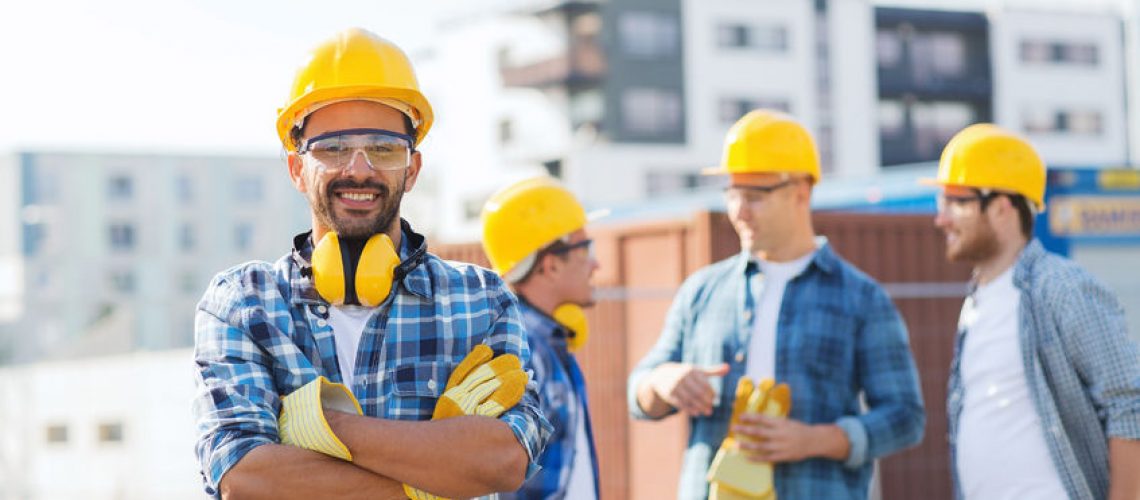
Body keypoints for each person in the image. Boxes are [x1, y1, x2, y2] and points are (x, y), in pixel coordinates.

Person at [191, 28, 551, 499]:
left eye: (383, 149)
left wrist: (317, 425)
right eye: (333, 148)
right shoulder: (242, 303)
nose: (358, 169)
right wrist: (434, 476)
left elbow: (504, 461)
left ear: (413, 168)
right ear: (297, 168)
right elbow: (246, 478)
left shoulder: (480, 299)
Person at [627, 109, 925, 499]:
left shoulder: (861, 298)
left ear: (801, 192)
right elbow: (640, 391)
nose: (738, 210)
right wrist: (663, 381)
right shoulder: (701, 291)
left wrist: (816, 440)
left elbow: (905, 417)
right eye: (732, 193)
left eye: (755, 196)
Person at [928, 123, 1140, 499]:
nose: (941, 219)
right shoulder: (977, 302)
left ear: (1002, 207)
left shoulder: (1060, 288)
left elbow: (1129, 403)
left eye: (958, 201)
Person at [480, 177, 602, 499]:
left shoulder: (546, 342)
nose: (596, 263)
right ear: (550, 266)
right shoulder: (523, 351)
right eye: (585, 248)